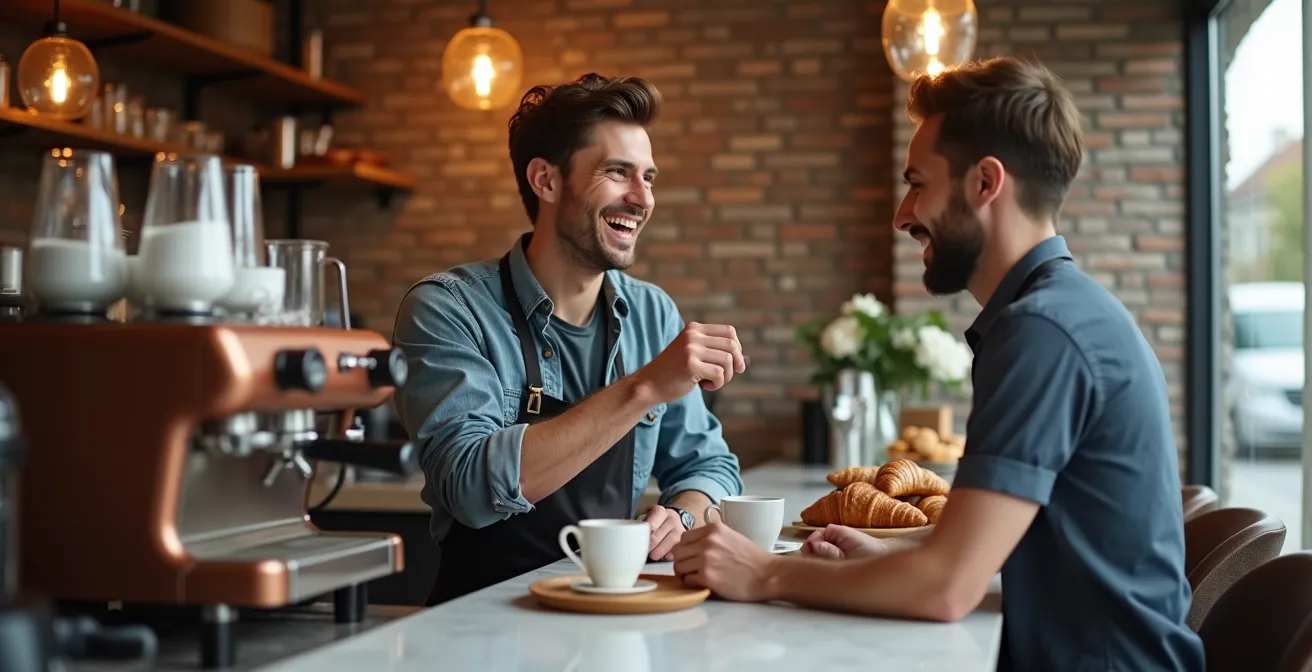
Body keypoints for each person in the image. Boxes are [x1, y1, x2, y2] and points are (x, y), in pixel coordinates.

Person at [671, 56, 1205, 671]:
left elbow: (946, 589)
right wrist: (899, 553)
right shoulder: (1062, 313)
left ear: (985, 183)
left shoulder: (1043, 331)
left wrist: (764, 572)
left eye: (918, 183)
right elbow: (1018, 539)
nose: (902, 214)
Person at [392, 73, 746, 606]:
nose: (643, 198)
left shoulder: (653, 314)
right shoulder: (449, 309)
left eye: (649, 177)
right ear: (547, 181)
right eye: (617, 173)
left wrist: (683, 515)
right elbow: (467, 485)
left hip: (612, 611)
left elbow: (709, 465)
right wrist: (644, 387)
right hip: (479, 627)